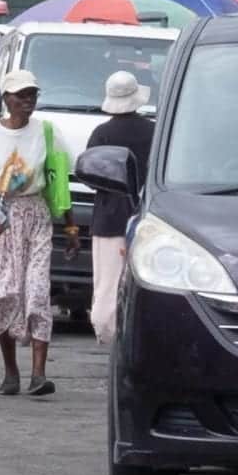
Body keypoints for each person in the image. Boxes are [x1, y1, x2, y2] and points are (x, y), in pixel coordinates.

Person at [0, 69, 76, 396]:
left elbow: (59, 181)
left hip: (36, 215)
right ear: (6, 98)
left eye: (32, 95)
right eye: (21, 95)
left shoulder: (48, 132)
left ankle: (38, 374)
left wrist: (70, 225)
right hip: (0, 219)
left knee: (38, 290)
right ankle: (11, 371)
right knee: (7, 292)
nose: (27, 101)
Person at [84, 70, 153, 344]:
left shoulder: (101, 133)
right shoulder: (154, 130)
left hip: (109, 218)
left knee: (107, 283)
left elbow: (88, 175)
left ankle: (108, 333)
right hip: (148, 215)